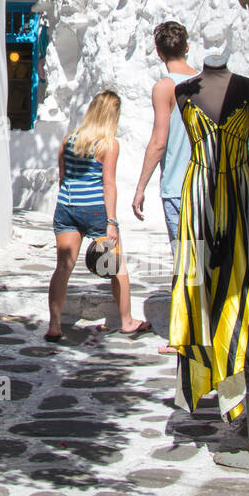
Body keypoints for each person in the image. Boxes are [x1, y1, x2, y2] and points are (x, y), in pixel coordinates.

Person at [46, 89, 151, 341]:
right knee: (117, 268)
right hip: (95, 210)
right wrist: (111, 222)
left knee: (63, 267)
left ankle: (54, 325)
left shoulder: (69, 139)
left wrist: (70, 201)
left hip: (67, 207)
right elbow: (108, 184)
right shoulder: (108, 144)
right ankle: (127, 321)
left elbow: (62, 177)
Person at [131, 21, 198, 354]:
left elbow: (159, 141)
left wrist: (140, 186)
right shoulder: (209, 82)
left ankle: (184, 337)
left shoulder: (165, 87)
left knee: (185, 262)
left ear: (159, 52)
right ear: (186, 47)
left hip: (177, 186)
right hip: (209, 183)